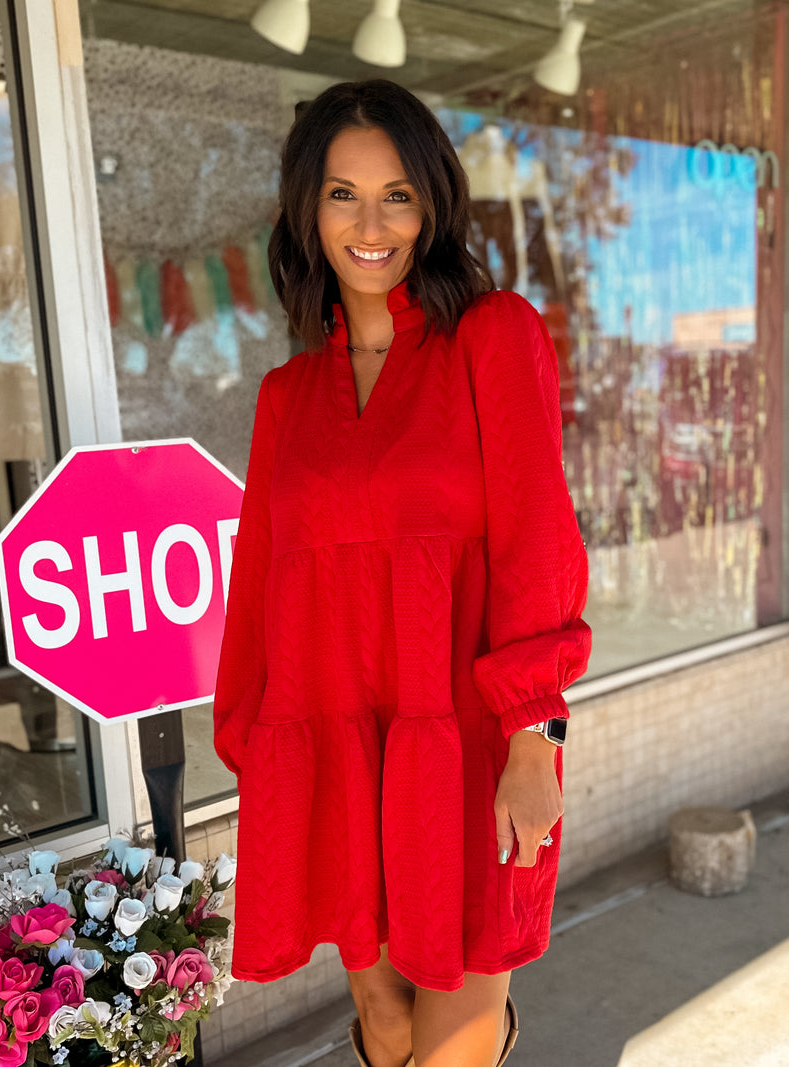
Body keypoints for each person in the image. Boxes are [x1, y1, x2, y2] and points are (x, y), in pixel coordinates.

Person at [214, 79, 591, 1067]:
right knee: (382, 1021)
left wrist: (533, 735)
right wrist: (261, 751)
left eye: (397, 195)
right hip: (339, 760)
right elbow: (259, 589)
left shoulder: (492, 336)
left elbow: (535, 544)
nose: (370, 223)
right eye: (342, 193)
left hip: (470, 750)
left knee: (451, 1031)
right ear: (307, 208)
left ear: (433, 204)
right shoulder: (285, 397)